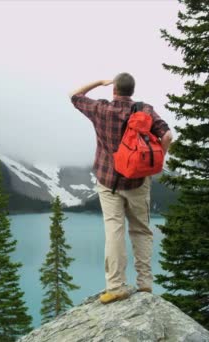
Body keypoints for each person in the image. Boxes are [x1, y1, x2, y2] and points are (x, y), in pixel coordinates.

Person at [70, 72, 172, 304]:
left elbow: (75, 96)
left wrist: (98, 81)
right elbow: (166, 135)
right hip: (138, 181)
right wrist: (158, 160)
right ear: (132, 91)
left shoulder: (101, 110)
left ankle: (115, 286)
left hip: (108, 182)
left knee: (114, 231)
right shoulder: (144, 110)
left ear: (114, 90)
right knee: (141, 230)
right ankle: (145, 284)